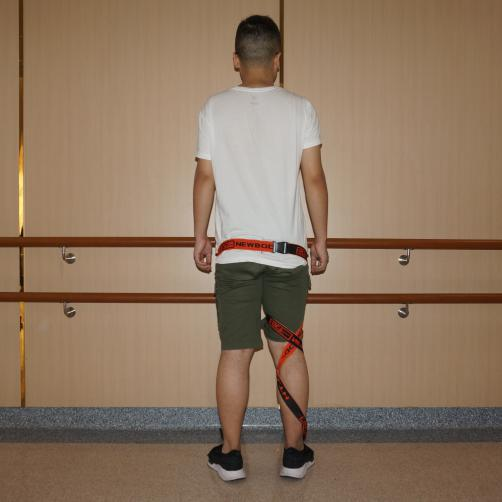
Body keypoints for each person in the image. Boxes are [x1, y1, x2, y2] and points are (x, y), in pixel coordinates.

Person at [192, 14, 329, 481]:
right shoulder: (300, 108)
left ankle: (230, 456)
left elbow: (205, 177)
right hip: (287, 256)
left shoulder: (214, 108)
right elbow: (314, 178)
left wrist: (200, 236)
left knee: (235, 352)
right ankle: (294, 454)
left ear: (236, 60)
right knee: (288, 350)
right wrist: (321, 239)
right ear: (277, 60)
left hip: (235, 254)